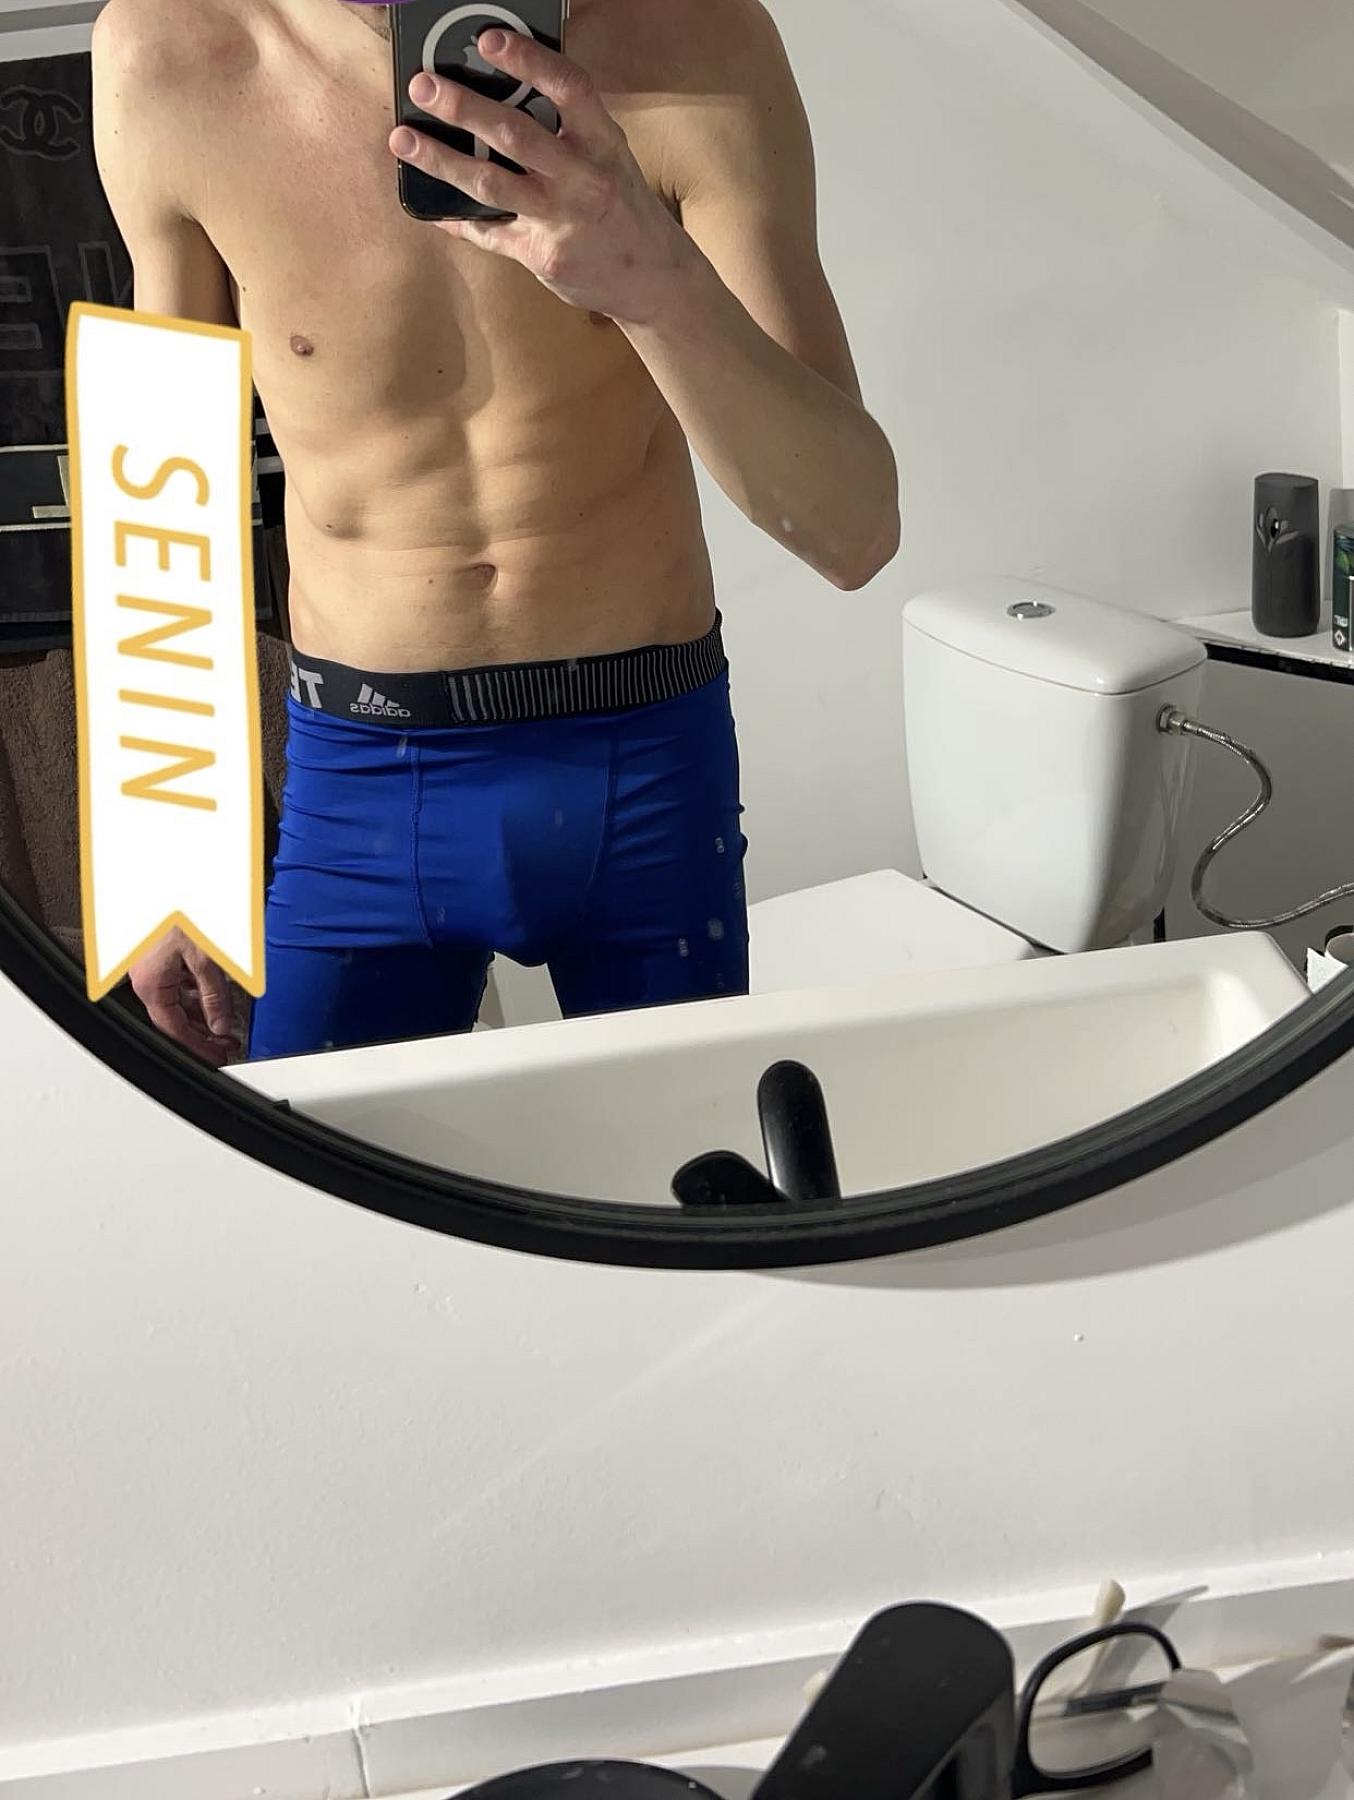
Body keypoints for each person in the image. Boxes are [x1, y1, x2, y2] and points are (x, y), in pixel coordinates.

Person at [91, 0, 901, 1066]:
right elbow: (163, 479)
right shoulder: (171, 50)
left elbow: (853, 530)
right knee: (315, 1170)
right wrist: (163, 856)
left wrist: (652, 280)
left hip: (645, 763)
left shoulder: (695, 36)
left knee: (686, 1161)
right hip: (363, 778)